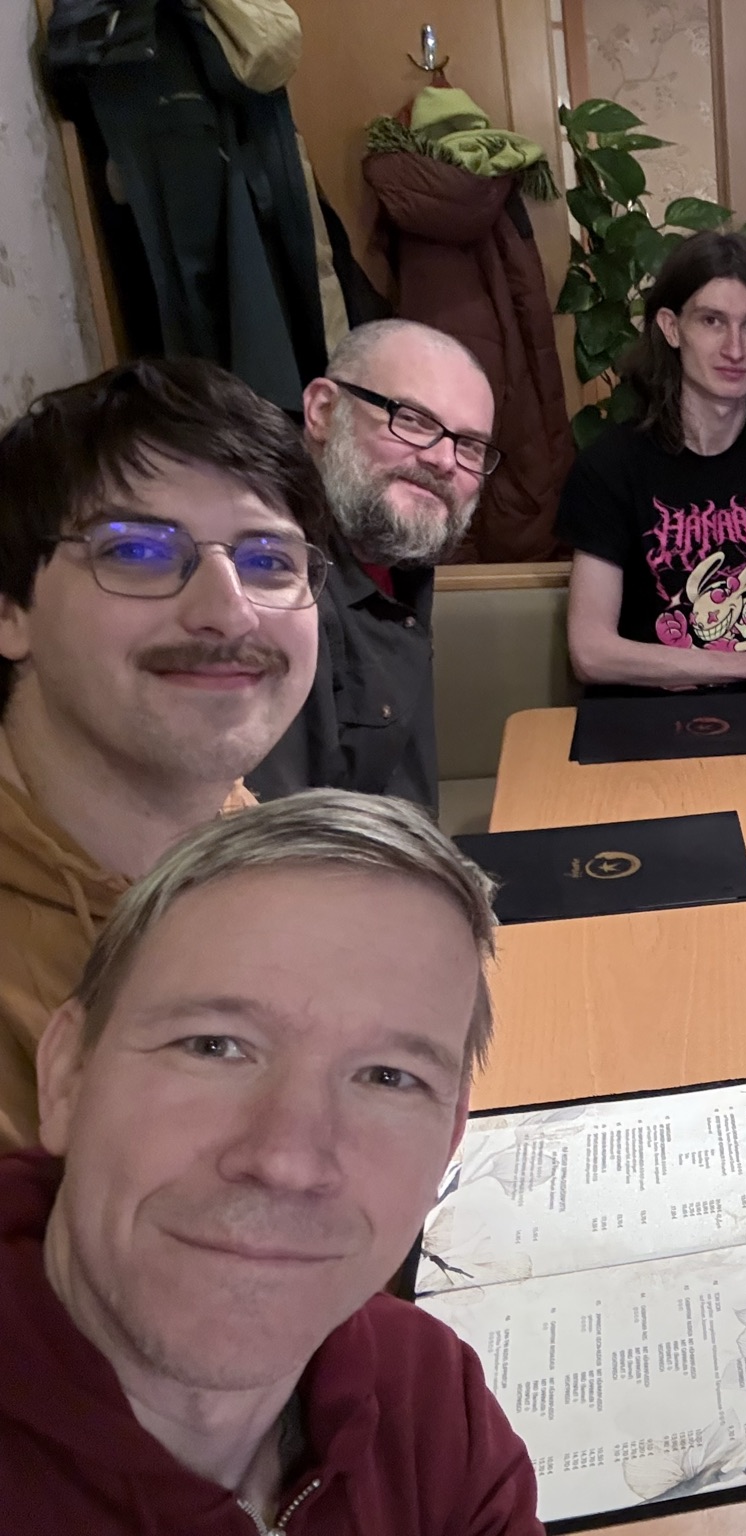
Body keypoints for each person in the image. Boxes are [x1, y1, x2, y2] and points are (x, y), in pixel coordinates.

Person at [0, 790, 543, 1532]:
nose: (287, 1159)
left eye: (389, 1077)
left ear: (450, 1139)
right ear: (65, 1075)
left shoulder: (429, 1403)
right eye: (214, 1045)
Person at [0, 358, 326, 1153]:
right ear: (12, 612)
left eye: (269, 561)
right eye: (138, 552)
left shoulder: (255, 846)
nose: (228, 612)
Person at [556, 231, 746, 693]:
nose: (735, 349)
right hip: (644, 725)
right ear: (671, 327)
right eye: (712, 321)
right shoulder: (611, 466)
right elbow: (591, 652)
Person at [249, 320, 499, 813]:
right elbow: (276, 851)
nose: (444, 460)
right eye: (412, 420)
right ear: (322, 410)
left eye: (469, 445)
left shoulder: (397, 550)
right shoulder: (268, 587)